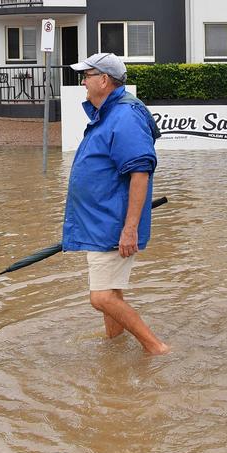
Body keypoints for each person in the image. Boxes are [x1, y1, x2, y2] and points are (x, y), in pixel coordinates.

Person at [62, 52, 169, 355]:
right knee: (112, 292)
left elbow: (140, 172)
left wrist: (129, 228)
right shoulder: (110, 113)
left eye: (87, 75)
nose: (83, 81)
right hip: (100, 223)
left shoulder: (124, 115)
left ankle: (156, 348)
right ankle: (115, 347)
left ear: (104, 80)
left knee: (101, 297)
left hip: (111, 225)